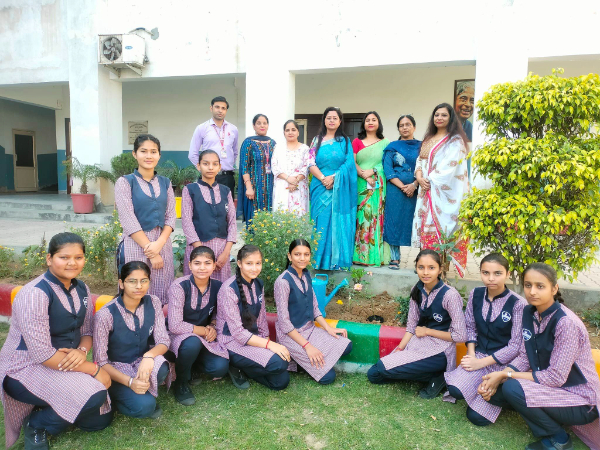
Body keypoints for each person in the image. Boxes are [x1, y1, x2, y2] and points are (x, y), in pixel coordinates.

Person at [0, 232, 112, 449]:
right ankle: (36, 424)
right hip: (25, 367)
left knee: (98, 422)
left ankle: (53, 403)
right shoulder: (35, 293)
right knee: (95, 394)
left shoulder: (81, 288)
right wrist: (94, 369)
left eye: (78, 257)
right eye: (64, 257)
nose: (72, 263)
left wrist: (81, 351)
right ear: (49, 259)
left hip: (67, 361)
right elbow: (42, 354)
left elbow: (87, 330)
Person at [477, 263, 600, 450]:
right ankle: (551, 416)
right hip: (553, 389)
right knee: (497, 393)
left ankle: (559, 439)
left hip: (580, 399)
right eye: (528, 285)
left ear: (554, 289)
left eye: (540, 286)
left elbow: (555, 377)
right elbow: (525, 357)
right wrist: (497, 378)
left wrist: (505, 375)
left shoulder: (566, 323)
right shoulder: (529, 312)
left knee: (512, 388)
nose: (532, 291)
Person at [367, 249, 467, 399]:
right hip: (418, 345)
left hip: (440, 352)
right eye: (421, 267)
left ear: (440, 269)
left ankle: (440, 376)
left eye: (431, 268)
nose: (426, 272)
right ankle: (432, 376)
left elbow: (461, 335)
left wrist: (428, 331)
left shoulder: (450, 295)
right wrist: (400, 348)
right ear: (416, 268)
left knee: (382, 367)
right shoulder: (417, 290)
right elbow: (411, 325)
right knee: (374, 374)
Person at [445, 253, 527, 427]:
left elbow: (515, 346)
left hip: (502, 364)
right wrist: (472, 355)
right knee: (455, 390)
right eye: (485, 273)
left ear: (507, 274)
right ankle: (476, 386)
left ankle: (495, 387)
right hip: (478, 355)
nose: (491, 278)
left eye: (497, 273)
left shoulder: (518, 304)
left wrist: (480, 364)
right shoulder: (476, 294)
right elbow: (470, 327)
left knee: (476, 418)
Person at [93, 261, 171, 420]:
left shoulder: (153, 302)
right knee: (145, 407)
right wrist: (130, 382)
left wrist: (148, 356)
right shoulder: (106, 315)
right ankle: (116, 397)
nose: (139, 286)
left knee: (162, 367)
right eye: (132, 281)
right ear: (121, 283)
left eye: (144, 281)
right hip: (116, 370)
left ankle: (140, 391)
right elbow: (100, 362)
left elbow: (163, 340)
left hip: (141, 362)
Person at [274, 239, 352, 384]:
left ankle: (310, 360)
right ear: (289, 256)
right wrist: (308, 347)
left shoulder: (306, 275)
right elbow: (284, 324)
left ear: (310, 256)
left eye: (306, 254)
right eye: (297, 254)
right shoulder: (282, 282)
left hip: (310, 330)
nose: (302, 258)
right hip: (291, 336)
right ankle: (303, 359)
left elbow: (315, 308)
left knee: (347, 345)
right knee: (328, 378)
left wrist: (328, 328)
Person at [216, 244, 291, 390]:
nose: (254, 268)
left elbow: (261, 318)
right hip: (231, 342)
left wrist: (267, 340)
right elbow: (238, 333)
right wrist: (271, 345)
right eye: (249, 263)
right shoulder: (228, 289)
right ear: (239, 264)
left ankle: (244, 368)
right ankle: (234, 365)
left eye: (258, 263)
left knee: (281, 382)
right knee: (279, 362)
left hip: (253, 338)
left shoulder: (258, 283)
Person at [115, 134, 176, 305]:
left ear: (159, 155)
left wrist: (159, 245)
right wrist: (151, 251)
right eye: (143, 151)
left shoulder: (165, 183)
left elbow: (171, 216)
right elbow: (128, 219)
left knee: (162, 291)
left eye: (153, 152)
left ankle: (159, 321)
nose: (149, 156)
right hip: (136, 245)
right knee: (136, 290)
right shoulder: (125, 182)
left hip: (162, 244)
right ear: (134, 154)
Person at [411, 103, 469, 277]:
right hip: (425, 191)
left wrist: (428, 180)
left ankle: (440, 271)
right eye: (437, 115)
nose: (439, 118)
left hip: (441, 193)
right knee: (425, 228)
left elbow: (449, 167)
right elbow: (420, 161)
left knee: (441, 231)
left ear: (451, 118)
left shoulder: (455, 141)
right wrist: (419, 177)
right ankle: (425, 267)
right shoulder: (428, 138)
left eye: (444, 115)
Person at [167, 246, 229, 406]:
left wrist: (213, 326)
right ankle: (181, 382)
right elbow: (174, 325)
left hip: (204, 339)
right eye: (197, 263)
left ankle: (191, 366)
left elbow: (219, 313)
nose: (202, 267)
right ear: (189, 265)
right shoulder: (179, 286)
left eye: (207, 263)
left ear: (214, 265)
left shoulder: (218, 286)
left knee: (219, 367)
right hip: (179, 337)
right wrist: (203, 330)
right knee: (191, 343)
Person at [308, 107, 357, 270]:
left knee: (336, 222)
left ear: (340, 121)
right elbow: (310, 162)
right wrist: (323, 178)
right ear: (324, 120)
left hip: (338, 187)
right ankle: (318, 261)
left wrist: (334, 178)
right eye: (329, 117)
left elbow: (349, 164)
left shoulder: (345, 141)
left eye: (335, 118)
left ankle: (335, 261)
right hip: (319, 186)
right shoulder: (316, 140)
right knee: (320, 222)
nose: (331, 120)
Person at [181, 149, 237, 282]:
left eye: (215, 164)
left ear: (220, 167)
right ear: (198, 166)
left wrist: (226, 253)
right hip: (197, 247)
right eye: (206, 164)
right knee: (197, 285)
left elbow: (232, 222)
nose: (210, 167)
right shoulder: (190, 190)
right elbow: (186, 221)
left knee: (220, 287)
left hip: (221, 250)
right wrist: (202, 252)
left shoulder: (225, 191)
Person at [382, 115, 421, 270]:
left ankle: (421, 260)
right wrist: (404, 187)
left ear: (414, 127)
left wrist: (414, 185)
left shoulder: (422, 146)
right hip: (395, 191)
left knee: (417, 222)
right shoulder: (392, 146)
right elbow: (387, 169)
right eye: (401, 125)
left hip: (417, 190)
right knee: (394, 221)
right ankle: (395, 258)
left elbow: (425, 167)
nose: (405, 127)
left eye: (408, 124)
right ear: (398, 128)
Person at [352, 111, 390, 266]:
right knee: (362, 216)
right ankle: (361, 255)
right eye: (367, 120)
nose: (370, 122)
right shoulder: (357, 142)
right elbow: (352, 162)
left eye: (374, 120)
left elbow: (386, 163)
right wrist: (364, 174)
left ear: (378, 123)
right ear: (364, 123)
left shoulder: (385, 143)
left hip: (377, 184)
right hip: (361, 184)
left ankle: (375, 256)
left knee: (375, 215)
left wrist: (373, 171)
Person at [188, 96, 239, 193]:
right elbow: (192, 154)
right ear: (211, 108)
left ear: (226, 111)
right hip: (207, 177)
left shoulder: (233, 129)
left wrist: (227, 165)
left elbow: (235, 152)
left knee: (227, 203)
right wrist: (204, 169)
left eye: (223, 108)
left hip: (227, 177)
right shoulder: (202, 128)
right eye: (217, 107)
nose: (220, 110)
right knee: (206, 202)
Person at [237, 114, 277, 225]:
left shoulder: (273, 143)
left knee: (270, 221)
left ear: (268, 125)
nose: (262, 126)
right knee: (254, 219)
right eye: (259, 123)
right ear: (254, 126)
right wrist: (249, 187)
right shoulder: (248, 142)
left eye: (264, 123)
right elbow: (244, 167)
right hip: (254, 188)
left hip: (271, 187)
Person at [272, 120, 311, 216]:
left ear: (298, 132)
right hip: (282, 186)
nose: (290, 132)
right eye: (287, 130)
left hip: (299, 186)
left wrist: (295, 181)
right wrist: (288, 178)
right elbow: (274, 166)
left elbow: (307, 167)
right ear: (284, 133)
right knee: (281, 216)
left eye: (293, 130)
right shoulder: (278, 148)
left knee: (299, 215)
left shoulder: (305, 149)